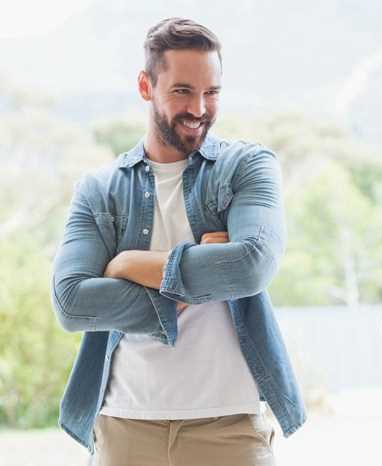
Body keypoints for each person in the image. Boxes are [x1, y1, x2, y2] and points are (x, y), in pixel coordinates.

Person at [50, 17, 305, 466]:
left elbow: (251, 267)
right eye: (183, 91)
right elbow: (72, 303)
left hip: (229, 426)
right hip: (123, 426)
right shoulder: (99, 189)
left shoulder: (247, 166)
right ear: (146, 87)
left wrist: (128, 263)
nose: (200, 108)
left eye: (212, 92)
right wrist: (198, 274)